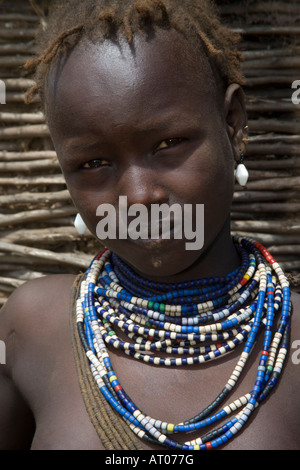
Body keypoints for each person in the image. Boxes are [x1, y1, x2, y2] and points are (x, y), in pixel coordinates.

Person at [0, 0, 299, 451]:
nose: (139, 196)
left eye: (168, 143)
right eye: (94, 163)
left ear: (233, 124)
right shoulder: (30, 328)